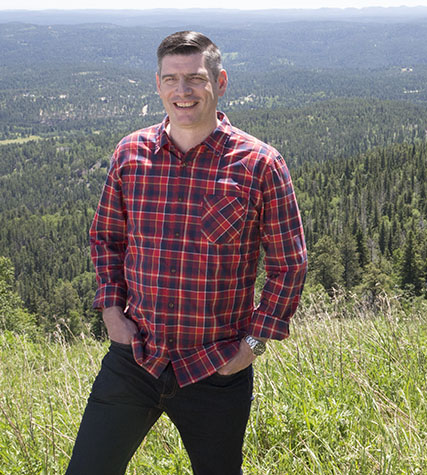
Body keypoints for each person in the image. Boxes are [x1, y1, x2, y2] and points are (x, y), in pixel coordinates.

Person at [66, 31, 307, 475]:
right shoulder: (131, 154)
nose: (183, 91)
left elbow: (290, 263)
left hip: (216, 367)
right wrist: (111, 313)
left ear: (221, 81)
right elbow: (106, 237)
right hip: (135, 357)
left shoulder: (260, 164)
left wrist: (253, 345)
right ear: (157, 84)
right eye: (171, 79)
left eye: (195, 78)